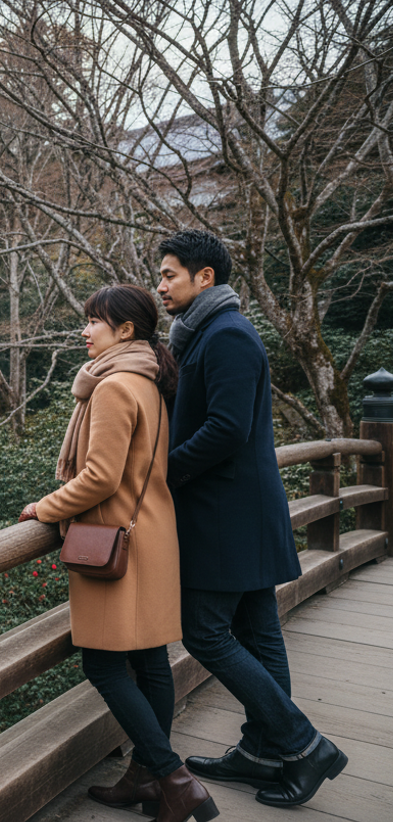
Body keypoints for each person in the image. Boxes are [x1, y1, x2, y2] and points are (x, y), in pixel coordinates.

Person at [156, 229, 347, 808]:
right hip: (236, 509)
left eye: (169, 274)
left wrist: (160, 473)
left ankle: (301, 743)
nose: (160, 285)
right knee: (259, 633)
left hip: (225, 513)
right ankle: (264, 751)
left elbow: (227, 429)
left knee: (206, 632)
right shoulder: (202, 334)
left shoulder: (228, 334)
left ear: (204, 277)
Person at [19, 285, 217, 822]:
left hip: (113, 543)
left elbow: (100, 477)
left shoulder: (111, 387)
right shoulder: (148, 380)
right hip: (151, 531)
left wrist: (46, 507)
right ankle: (147, 780)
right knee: (150, 662)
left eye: (94, 322)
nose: (85, 331)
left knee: (104, 666)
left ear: (125, 331)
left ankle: (175, 780)